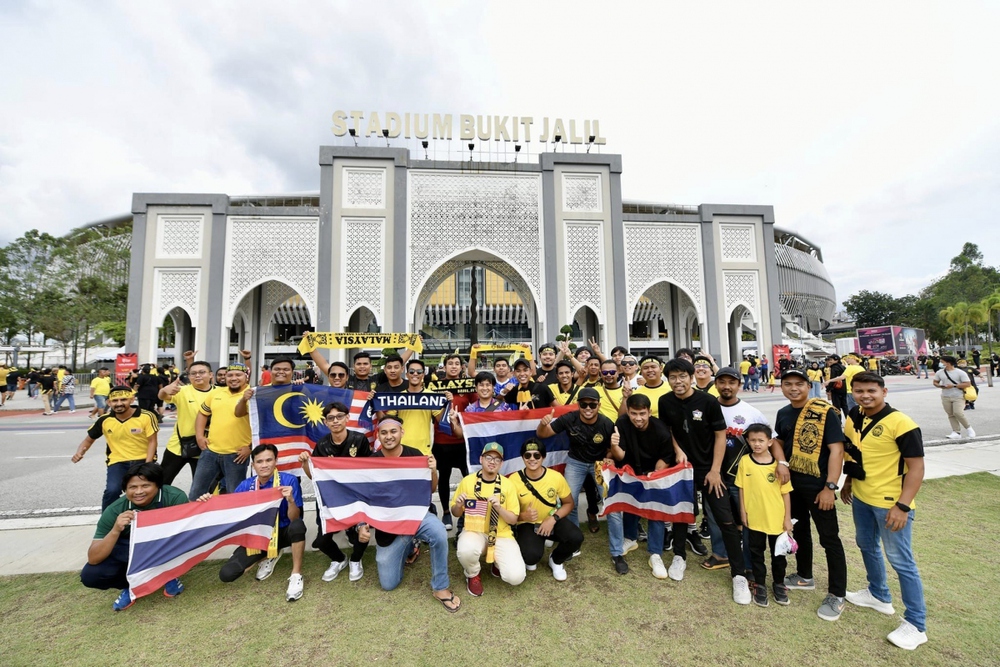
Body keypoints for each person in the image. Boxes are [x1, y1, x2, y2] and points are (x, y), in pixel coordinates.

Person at [841, 371, 928, 650]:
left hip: (890, 503)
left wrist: (902, 506)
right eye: (859, 391)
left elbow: (917, 468)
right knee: (866, 545)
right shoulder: (854, 414)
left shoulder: (901, 423)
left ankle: (917, 625)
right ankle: (878, 595)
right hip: (863, 498)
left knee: (902, 561)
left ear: (884, 392)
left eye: (871, 391)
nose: (865, 395)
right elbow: (855, 452)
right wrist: (848, 481)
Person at [657, 358, 750, 602]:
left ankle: (738, 575)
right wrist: (677, 451)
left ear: (691, 377)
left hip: (710, 469)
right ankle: (679, 556)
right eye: (673, 377)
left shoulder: (707, 401)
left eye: (682, 376)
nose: (678, 381)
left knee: (725, 519)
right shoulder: (665, 401)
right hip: (683, 468)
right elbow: (668, 431)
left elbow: (720, 436)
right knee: (682, 514)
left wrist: (715, 470)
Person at [771, 368, 848, 622]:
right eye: (788, 384)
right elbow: (780, 442)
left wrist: (830, 487)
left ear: (808, 386)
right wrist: (781, 463)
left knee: (829, 539)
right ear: (782, 387)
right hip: (793, 484)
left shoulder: (825, 412)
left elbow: (836, 451)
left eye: (799, 384)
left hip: (819, 487)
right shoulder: (783, 413)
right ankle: (804, 575)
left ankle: (837, 594)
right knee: (800, 531)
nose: (793, 388)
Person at [362, 416, 461, 612]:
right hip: (388, 525)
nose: (389, 436)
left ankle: (440, 587)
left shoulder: (414, 455)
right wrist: (361, 524)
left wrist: (433, 471)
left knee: (439, 533)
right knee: (388, 584)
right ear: (378, 435)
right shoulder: (371, 462)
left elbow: (431, 489)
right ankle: (410, 546)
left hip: (415, 516)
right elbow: (365, 497)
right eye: (384, 433)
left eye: (393, 431)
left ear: (401, 433)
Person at [80, 462, 188, 611]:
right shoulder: (114, 510)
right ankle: (131, 586)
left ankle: (167, 575)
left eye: (145, 486)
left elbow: (190, 532)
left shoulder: (174, 497)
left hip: (165, 547)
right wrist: (115, 530)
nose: (138, 492)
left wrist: (205, 503)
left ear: (158, 486)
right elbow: (93, 557)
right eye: (132, 487)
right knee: (90, 575)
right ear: (125, 489)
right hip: (130, 551)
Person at [206, 445, 306, 602]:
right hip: (258, 538)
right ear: (253, 465)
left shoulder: (289, 480)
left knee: (298, 526)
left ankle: (296, 575)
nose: (264, 465)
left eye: (268, 460)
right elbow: (229, 510)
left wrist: (291, 500)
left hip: (284, 532)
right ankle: (269, 554)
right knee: (227, 574)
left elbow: (295, 518)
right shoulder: (246, 486)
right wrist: (208, 502)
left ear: (276, 461)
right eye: (259, 461)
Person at [537, 387, 622, 571]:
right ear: (579, 405)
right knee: (570, 501)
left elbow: (611, 448)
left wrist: (610, 455)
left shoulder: (607, 423)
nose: (588, 408)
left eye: (592, 404)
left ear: (599, 405)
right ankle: (573, 543)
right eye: (584, 404)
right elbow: (543, 435)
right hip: (575, 462)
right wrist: (543, 424)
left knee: (612, 505)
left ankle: (617, 552)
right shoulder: (570, 418)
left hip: (599, 465)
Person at [701, 367, 767, 575]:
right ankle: (721, 554)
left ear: (739, 385)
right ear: (716, 384)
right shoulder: (707, 408)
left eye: (732, 382)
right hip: (714, 474)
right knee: (713, 516)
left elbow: (769, 439)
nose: (726, 386)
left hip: (742, 477)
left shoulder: (751, 412)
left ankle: (747, 561)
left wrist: (780, 465)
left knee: (746, 518)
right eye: (722, 382)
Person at [299, 401, 372, 581]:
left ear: (347, 418)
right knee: (321, 540)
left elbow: (369, 471)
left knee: (362, 535)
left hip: (356, 495)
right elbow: (314, 477)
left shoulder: (359, 440)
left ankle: (356, 560)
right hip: (331, 497)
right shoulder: (322, 445)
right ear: (326, 422)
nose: (335, 421)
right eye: (330, 418)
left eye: (339, 417)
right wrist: (305, 463)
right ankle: (339, 559)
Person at [609, 394, 678, 579]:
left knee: (655, 510)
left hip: (655, 471)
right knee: (630, 504)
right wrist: (614, 445)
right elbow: (620, 456)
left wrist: (654, 475)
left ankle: (655, 554)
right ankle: (630, 539)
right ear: (629, 412)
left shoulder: (661, 430)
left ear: (649, 412)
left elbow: (666, 456)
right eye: (633, 413)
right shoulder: (622, 423)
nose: (638, 418)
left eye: (642, 413)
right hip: (631, 469)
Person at [452, 442, 526, 594]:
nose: (492, 462)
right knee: (466, 550)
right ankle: (473, 574)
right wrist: (459, 505)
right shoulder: (468, 481)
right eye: (488, 457)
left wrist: (499, 508)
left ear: (501, 464)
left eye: (497, 459)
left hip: (501, 534)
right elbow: (455, 513)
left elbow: (513, 520)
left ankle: (497, 563)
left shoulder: (507, 484)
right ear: (481, 459)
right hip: (475, 531)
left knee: (516, 577)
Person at [72, 386, 159, 510]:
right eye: (115, 401)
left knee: (147, 492)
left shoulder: (147, 416)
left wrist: (148, 464)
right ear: (109, 402)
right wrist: (80, 452)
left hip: (143, 461)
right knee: (112, 491)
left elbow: (152, 441)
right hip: (117, 462)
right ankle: (107, 521)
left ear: (132, 400)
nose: (119, 404)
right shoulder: (105, 420)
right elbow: (88, 439)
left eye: (123, 399)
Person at [736, 424, 793, 608]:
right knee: (756, 553)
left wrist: (787, 519)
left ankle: (778, 584)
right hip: (754, 518)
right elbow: (742, 489)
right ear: (748, 441)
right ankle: (759, 584)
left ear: (770, 442)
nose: (757, 444)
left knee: (778, 556)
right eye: (753, 440)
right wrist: (743, 512)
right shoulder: (745, 461)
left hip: (776, 519)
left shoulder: (779, 466)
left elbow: (786, 494)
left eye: (761, 440)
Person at [510, 438, 583, 581]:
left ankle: (555, 560)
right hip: (528, 524)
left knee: (576, 538)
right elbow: (508, 513)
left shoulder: (555, 477)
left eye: (537, 455)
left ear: (543, 457)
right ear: (522, 457)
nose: (532, 459)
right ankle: (539, 542)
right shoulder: (513, 480)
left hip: (551, 520)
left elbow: (568, 503)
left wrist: (553, 518)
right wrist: (523, 516)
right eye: (527, 455)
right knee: (530, 558)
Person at [187, 365, 253, 500]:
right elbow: (202, 413)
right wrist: (199, 436)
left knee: (234, 495)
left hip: (237, 454)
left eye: (238, 375)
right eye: (230, 375)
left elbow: (263, 425)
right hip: (210, 451)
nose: (233, 378)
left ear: (246, 376)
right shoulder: (216, 393)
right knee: (196, 493)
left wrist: (250, 447)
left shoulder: (253, 394)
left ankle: (234, 521)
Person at [158, 359, 214, 486]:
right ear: (189, 376)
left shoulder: (218, 393)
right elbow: (162, 396)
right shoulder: (182, 391)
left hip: (205, 447)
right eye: (193, 373)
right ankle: (158, 506)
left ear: (211, 375)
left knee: (202, 488)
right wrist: (164, 390)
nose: (197, 375)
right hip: (178, 446)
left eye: (202, 372)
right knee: (162, 482)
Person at [933, 355, 974, 439]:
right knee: (950, 414)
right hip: (945, 396)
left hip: (958, 396)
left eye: (942, 362)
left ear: (948, 363)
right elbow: (935, 382)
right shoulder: (939, 372)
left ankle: (969, 428)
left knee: (958, 413)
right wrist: (940, 386)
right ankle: (956, 432)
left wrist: (954, 385)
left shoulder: (960, 372)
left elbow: (967, 383)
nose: (941, 363)